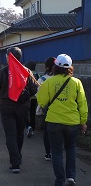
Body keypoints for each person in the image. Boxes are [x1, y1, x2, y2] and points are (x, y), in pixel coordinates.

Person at [37, 54, 88, 186]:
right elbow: (82, 103)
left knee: (57, 152)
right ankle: (71, 177)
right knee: (71, 148)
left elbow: (42, 101)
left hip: (54, 121)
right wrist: (83, 121)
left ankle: (59, 180)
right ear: (70, 67)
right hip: (72, 122)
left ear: (56, 66)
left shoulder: (48, 82)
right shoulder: (77, 83)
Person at [0, 47, 38, 173]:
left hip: (6, 106)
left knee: (10, 135)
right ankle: (17, 155)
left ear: (9, 57)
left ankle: (15, 162)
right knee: (19, 133)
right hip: (22, 107)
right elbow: (34, 89)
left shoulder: (1, 72)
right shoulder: (27, 71)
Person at [36, 57, 56, 161]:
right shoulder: (67, 79)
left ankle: (48, 153)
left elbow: (39, 96)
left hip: (48, 109)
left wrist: (41, 107)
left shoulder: (42, 80)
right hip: (64, 109)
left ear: (47, 67)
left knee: (48, 132)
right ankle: (58, 151)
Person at [24, 61, 40, 138]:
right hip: (34, 97)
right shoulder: (37, 74)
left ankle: (28, 126)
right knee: (32, 113)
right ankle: (32, 129)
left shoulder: (26, 73)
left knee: (25, 113)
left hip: (26, 97)